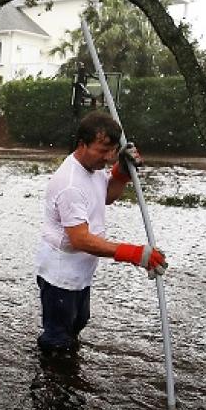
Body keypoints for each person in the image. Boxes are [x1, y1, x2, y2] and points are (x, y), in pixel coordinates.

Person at [35, 111, 168, 353]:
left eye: (113, 151)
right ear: (82, 144)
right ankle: (50, 384)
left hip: (81, 272)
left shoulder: (94, 169)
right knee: (57, 339)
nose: (107, 157)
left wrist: (121, 172)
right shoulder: (70, 184)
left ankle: (65, 374)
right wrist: (135, 254)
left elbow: (105, 196)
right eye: (102, 150)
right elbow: (80, 239)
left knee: (78, 323)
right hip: (61, 276)